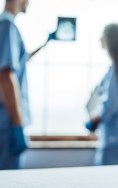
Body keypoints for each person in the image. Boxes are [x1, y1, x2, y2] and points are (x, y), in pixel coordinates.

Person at [0, 0, 51, 170]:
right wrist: (16, 123)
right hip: (7, 121)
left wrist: (45, 43)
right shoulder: (7, 26)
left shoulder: (5, 26)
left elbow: (21, 60)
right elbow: (6, 75)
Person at [86, 23, 118, 165]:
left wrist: (94, 120)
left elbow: (111, 105)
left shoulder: (117, 71)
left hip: (114, 140)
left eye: (103, 35)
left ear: (110, 40)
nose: (100, 39)